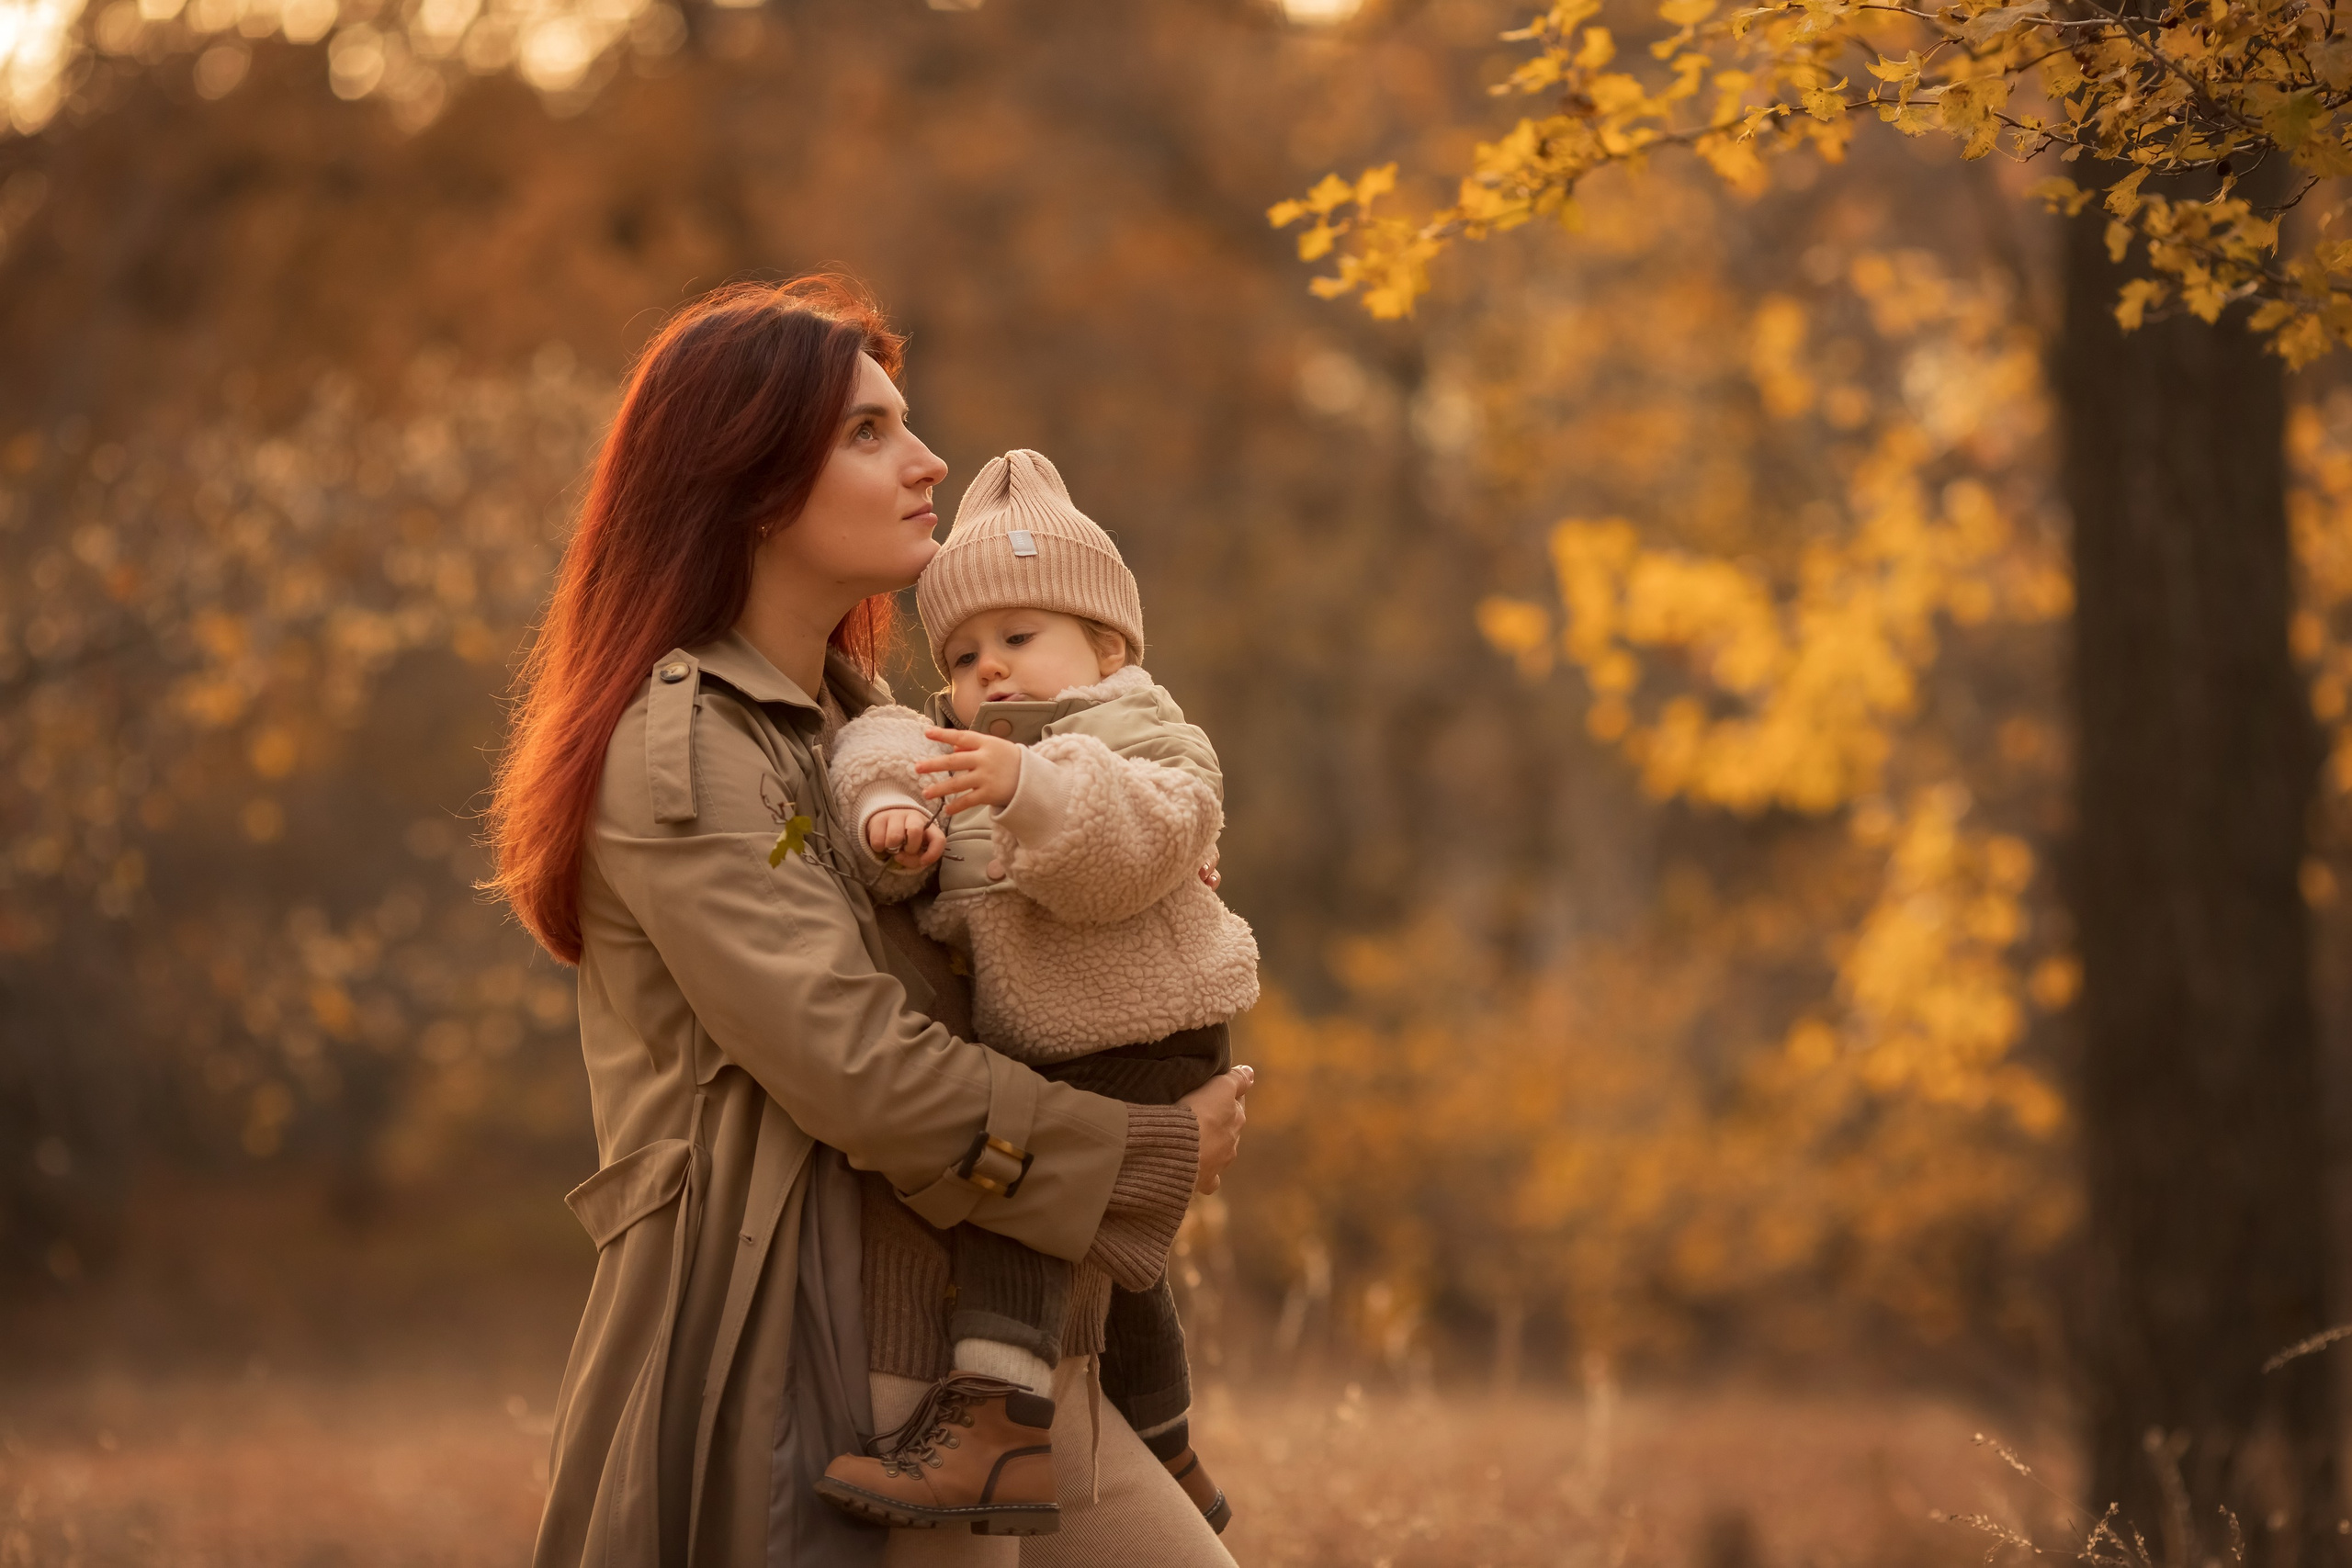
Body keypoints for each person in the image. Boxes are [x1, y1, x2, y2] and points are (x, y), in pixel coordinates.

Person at [484, 276, 1253, 1568]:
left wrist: (1122, 905)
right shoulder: (683, 747)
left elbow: (988, 968)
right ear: (753, 482)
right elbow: (855, 1063)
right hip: (833, 1357)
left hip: (990, 1343)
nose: (928, 456)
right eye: (868, 431)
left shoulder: (871, 729)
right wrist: (1138, 1150)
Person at [811, 449, 1255, 1537]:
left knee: (1028, 1213)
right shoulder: (958, 745)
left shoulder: (1141, 735)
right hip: (1056, 1035)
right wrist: (886, 820)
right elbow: (876, 740)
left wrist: (1029, 785)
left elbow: (1135, 844)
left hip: (1149, 1019)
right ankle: (1165, 1439)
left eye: (1018, 639)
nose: (987, 673)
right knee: (1116, 1255)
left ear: (1106, 648)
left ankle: (999, 1421)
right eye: (962, 653)